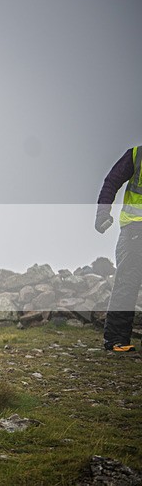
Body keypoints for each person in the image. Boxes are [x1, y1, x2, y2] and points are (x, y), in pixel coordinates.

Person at [96, 145, 142, 353]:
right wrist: (102, 213)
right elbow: (111, 182)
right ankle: (116, 340)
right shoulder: (136, 154)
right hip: (135, 229)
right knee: (127, 283)